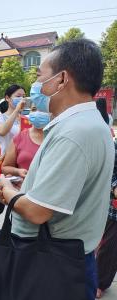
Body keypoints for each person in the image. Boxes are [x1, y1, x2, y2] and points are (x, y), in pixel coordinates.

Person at [0, 39, 114, 300]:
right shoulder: (89, 123)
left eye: (40, 77)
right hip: (63, 257)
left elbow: (38, 212)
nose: (35, 86)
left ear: (61, 80)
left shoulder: (73, 132)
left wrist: (7, 191)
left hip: (50, 263)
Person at [0, 85, 26, 228]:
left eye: (23, 96)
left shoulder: (24, 119)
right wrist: (16, 111)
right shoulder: (0, 117)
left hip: (19, 166)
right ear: (7, 98)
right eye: (18, 96)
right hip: (3, 164)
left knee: (16, 203)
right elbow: (2, 131)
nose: (21, 99)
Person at [95, 107, 117, 299]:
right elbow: (109, 171)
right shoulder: (115, 145)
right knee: (109, 247)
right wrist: (115, 186)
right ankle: (100, 282)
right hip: (115, 209)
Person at [1, 107, 48, 178]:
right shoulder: (19, 138)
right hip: (23, 187)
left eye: (43, 110)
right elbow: (5, 168)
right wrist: (17, 171)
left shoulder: (57, 137)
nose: (38, 113)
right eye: (34, 109)